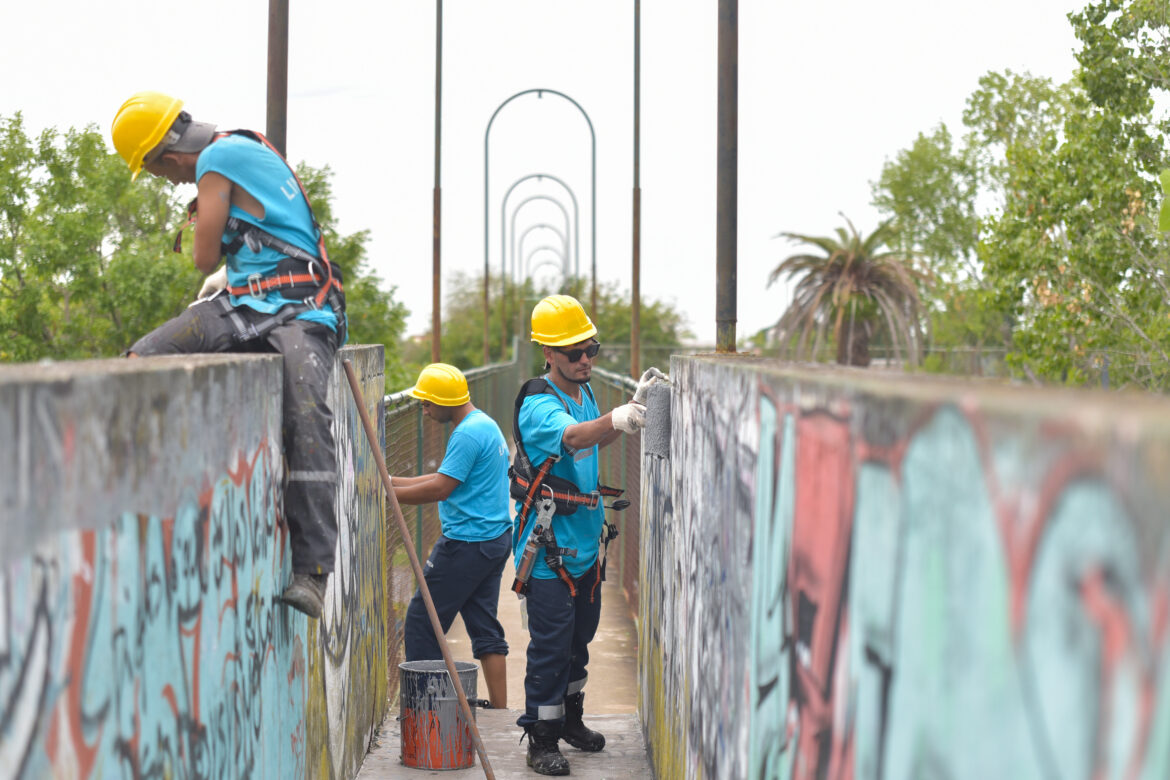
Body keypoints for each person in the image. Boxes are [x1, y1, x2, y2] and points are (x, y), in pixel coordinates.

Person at [110, 91, 346, 620]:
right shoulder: (243, 146)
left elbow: (203, 254)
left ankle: (313, 571)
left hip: (301, 308)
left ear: (165, 156)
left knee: (305, 415)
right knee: (146, 357)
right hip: (245, 301)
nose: (170, 184)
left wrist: (204, 221)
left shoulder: (218, 158)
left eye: (156, 173)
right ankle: (140, 507)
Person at [510, 294, 651, 776]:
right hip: (550, 551)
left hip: (586, 545)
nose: (585, 359)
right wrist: (614, 420)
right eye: (574, 352)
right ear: (548, 353)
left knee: (580, 640)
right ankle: (542, 739)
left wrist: (627, 413)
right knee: (550, 646)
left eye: (591, 348)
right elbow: (572, 437)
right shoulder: (538, 402)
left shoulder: (584, 390)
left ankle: (571, 720)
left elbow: (593, 431)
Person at [392, 363, 512, 709]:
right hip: (493, 539)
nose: (424, 409)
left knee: (421, 622)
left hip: (466, 545)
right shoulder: (483, 424)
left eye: (427, 403)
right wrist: (389, 481)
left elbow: (441, 488)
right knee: (483, 625)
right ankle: (500, 711)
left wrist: (387, 493)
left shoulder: (466, 434)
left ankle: (429, 711)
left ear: (445, 402)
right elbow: (441, 478)